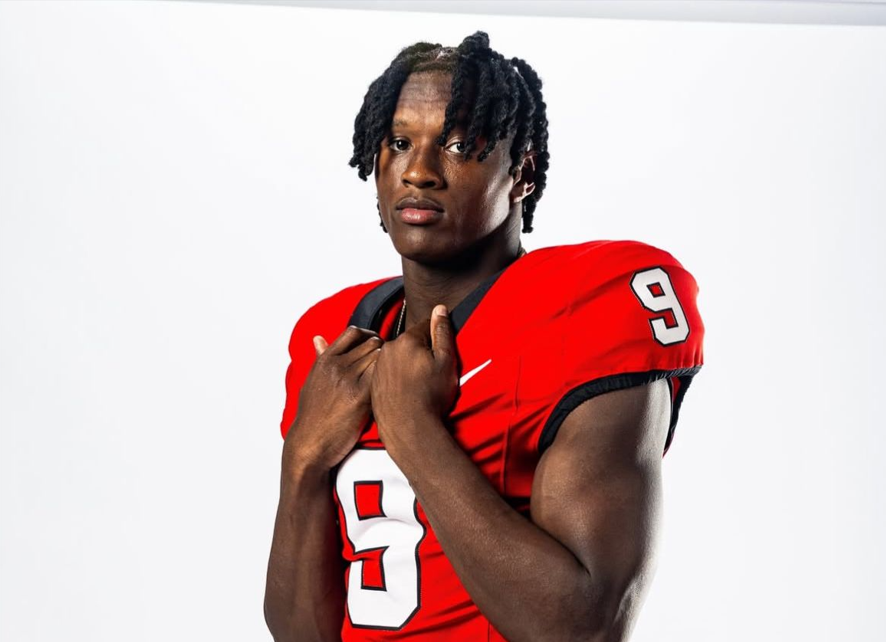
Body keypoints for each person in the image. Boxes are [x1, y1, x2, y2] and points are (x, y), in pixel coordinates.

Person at [264, 31, 704, 642]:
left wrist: (413, 428)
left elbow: (582, 630)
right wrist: (304, 460)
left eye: (458, 145)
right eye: (399, 143)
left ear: (522, 172)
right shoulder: (332, 335)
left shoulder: (591, 305)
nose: (419, 172)